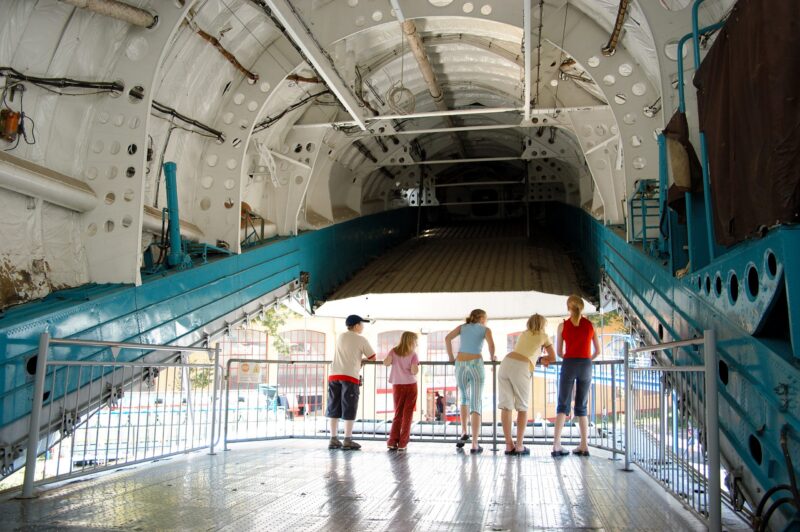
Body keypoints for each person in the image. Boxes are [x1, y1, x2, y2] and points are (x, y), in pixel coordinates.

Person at [498, 314, 556, 456]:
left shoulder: (523, 334)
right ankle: (519, 446)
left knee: (506, 406)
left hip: (506, 362)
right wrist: (542, 359)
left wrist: (538, 358)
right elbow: (553, 357)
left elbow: (525, 351)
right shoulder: (544, 336)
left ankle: (508, 445)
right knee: (522, 407)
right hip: (521, 367)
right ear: (543, 324)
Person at [552, 295, 600, 457]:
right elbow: (598, 351)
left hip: (569, 364)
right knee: (582, 407)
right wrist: (586, 359)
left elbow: (559, 352)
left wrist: (571, 356)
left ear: (568, 308)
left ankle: (557, 445)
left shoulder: (562, 326)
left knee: (562, 404)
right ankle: (584, 445)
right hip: (586, 365)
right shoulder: (591, 325)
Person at [445, 309, 495, 454]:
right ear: (482, 318)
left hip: (460, 364)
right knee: (476, 402)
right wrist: (492, 357)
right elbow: (491, 345)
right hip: (475, 364)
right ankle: (474, 443)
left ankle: (464, 431)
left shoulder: (462, 327)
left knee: (464, 398)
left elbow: (447, 338)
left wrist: (451, 357)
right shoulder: (485, 329)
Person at [327, 314, 376, 450]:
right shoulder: (361, 339)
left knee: (334, 407)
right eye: (362, 324)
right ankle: (347, 440)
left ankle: (333, 439)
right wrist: (362, 360)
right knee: (349, 407)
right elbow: (372, 357)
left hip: (334, 375)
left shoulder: (340, 337)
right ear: (356, 326)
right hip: (349, 376)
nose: (363, 327)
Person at [384, 332, 420, 452]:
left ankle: (392, 441)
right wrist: (415, 366)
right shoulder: (413, 354)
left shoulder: (393, 351)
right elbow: (414, 371)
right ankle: (403, 443)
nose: (416, 344)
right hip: (410, 385)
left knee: (398, 413)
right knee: (407, 414)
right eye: (415, 341)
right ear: (412, 341)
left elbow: (386, 363)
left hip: (397, 385)